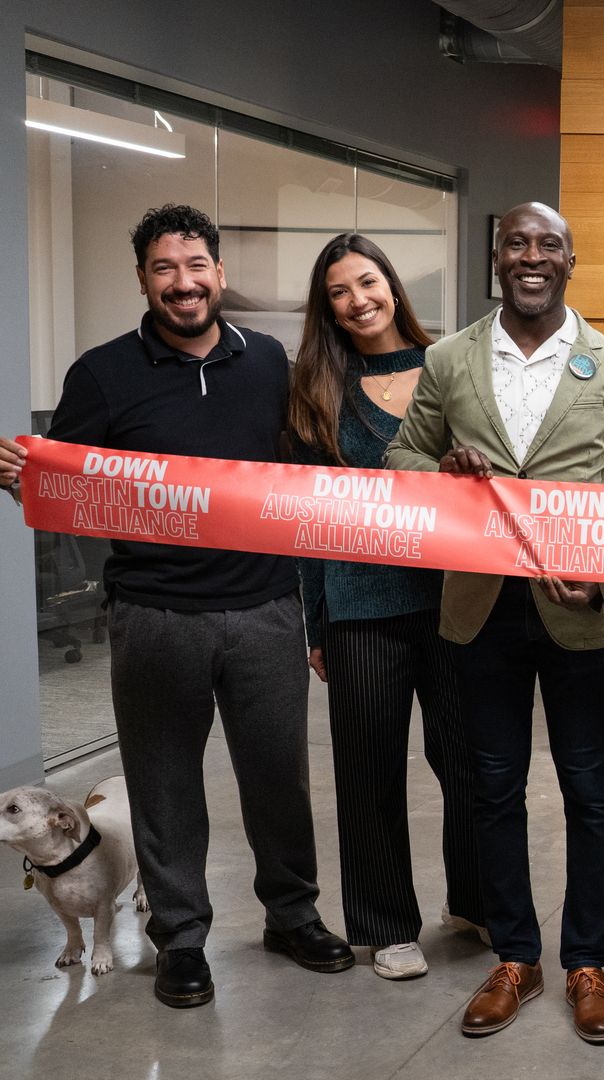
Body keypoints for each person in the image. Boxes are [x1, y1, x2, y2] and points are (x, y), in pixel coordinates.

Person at [0, 204, 352, 1008]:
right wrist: (28, 480)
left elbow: (310, 476)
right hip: (155, 613)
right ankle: (182, 938)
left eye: (196, 266)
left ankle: (291, 915)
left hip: (264, 608)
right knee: (162, 785)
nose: (183, 283)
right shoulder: (102, 373)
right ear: (144, 281)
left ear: (219, 274)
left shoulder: (268, 361)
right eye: (165, 269)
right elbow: (66, 491)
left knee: (278, 778)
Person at [385, 202, 604, 1044]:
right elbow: (401, 458)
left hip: (578, 612)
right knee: (494, 787)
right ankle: (516, 957)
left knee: (588, 788)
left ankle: (585, 962)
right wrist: (444, 465)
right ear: (496, 258)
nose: (530, 257)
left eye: (548, 245)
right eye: (516, 244)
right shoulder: (450, 358)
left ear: (571, 261)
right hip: (479, 609)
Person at [286, 233, 485, 981]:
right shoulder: (316, 388)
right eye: (339, 291)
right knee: (368, 768)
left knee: (471, 762)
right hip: (360, 606)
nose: (357, 300)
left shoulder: (451, 368)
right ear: (327, 308)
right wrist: (318, 621)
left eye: (367, 283)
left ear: (393, 287)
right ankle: (386, 925)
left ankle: (475, 901)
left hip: (455, 601)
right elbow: (307, 517)